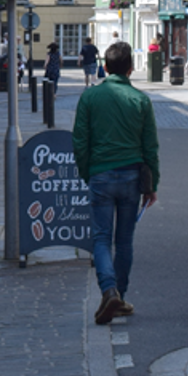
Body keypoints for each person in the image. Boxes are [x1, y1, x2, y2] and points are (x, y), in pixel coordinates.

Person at [72, 42, 159, 325]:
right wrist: (152, 184)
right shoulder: (141, 100)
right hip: (132, 176)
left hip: (101, 174)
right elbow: (150, 147)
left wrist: (88, 172)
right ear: (131, 69)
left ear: (105, 67)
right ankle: (119, 294)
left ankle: (109, 291)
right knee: (124, 241)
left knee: (100, 238)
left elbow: (80, 141)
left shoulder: (90, 97)